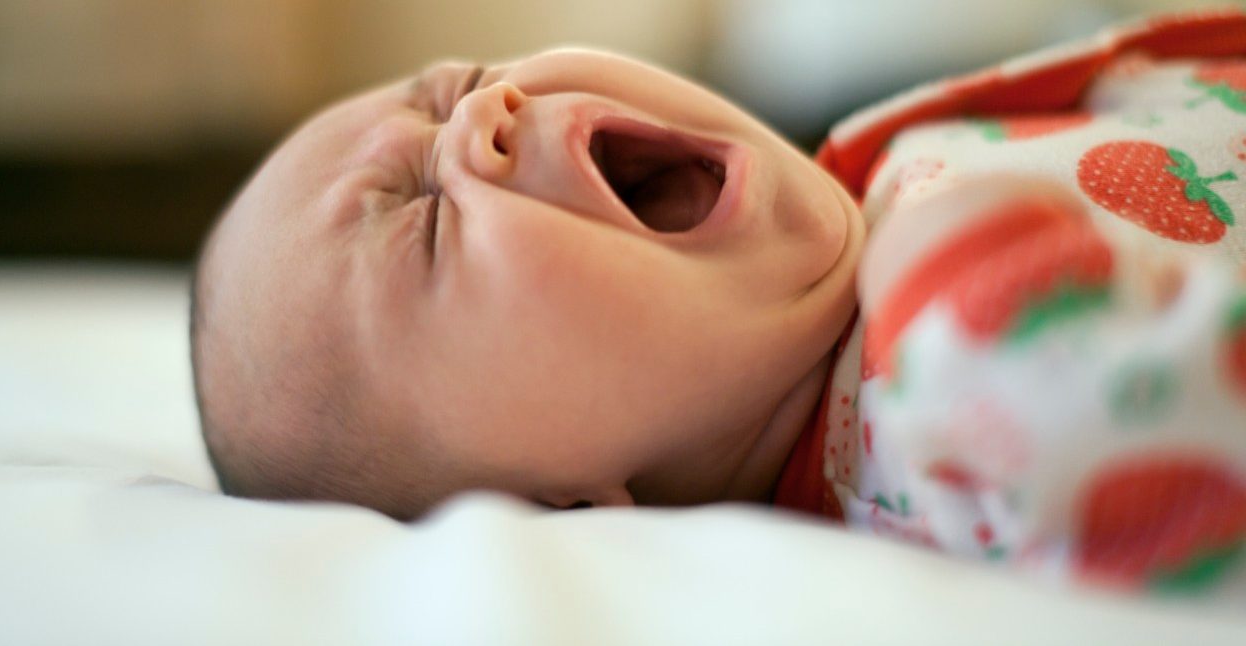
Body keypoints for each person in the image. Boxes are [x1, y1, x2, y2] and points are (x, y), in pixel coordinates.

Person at [191, 9, 1246, 594]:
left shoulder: (881, 168)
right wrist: (964, 278)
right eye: (423, 222)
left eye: (455, 84)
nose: (486, 112)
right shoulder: (950, 414)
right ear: (560, 508)